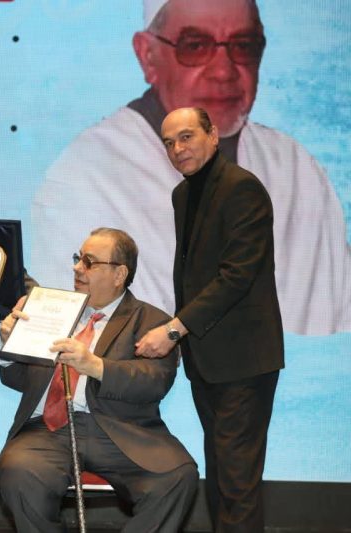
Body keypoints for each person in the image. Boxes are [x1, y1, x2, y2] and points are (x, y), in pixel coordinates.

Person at [32, 0, 350, 335]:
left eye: (243, 46)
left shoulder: (295, 168)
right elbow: (67, 328)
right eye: (195, 46)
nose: (224, 70)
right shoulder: (82, 175)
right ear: (148, 56)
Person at [136, 107, 284, 532]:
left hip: (245, 360)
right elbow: (192, 275)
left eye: (187, 137)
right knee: (220, 477)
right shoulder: (183, 194)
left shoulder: (242, 188)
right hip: (207, 359)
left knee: (237, 483)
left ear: (213, 135)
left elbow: (236, 276)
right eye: (169, 142)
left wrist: (174, 329)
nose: (178, 149)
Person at [0, 227, 197, 533]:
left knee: (178, 477)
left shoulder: (152, 321)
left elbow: (155, 380)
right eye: (78, 259)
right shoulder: (53, 310)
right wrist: (8, 343)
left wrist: (96, 366)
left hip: (121, 431)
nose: (77, 268)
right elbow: (21, 379)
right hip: (48, 431)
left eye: (89, 262)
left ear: (119, 274)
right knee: (18, 472)